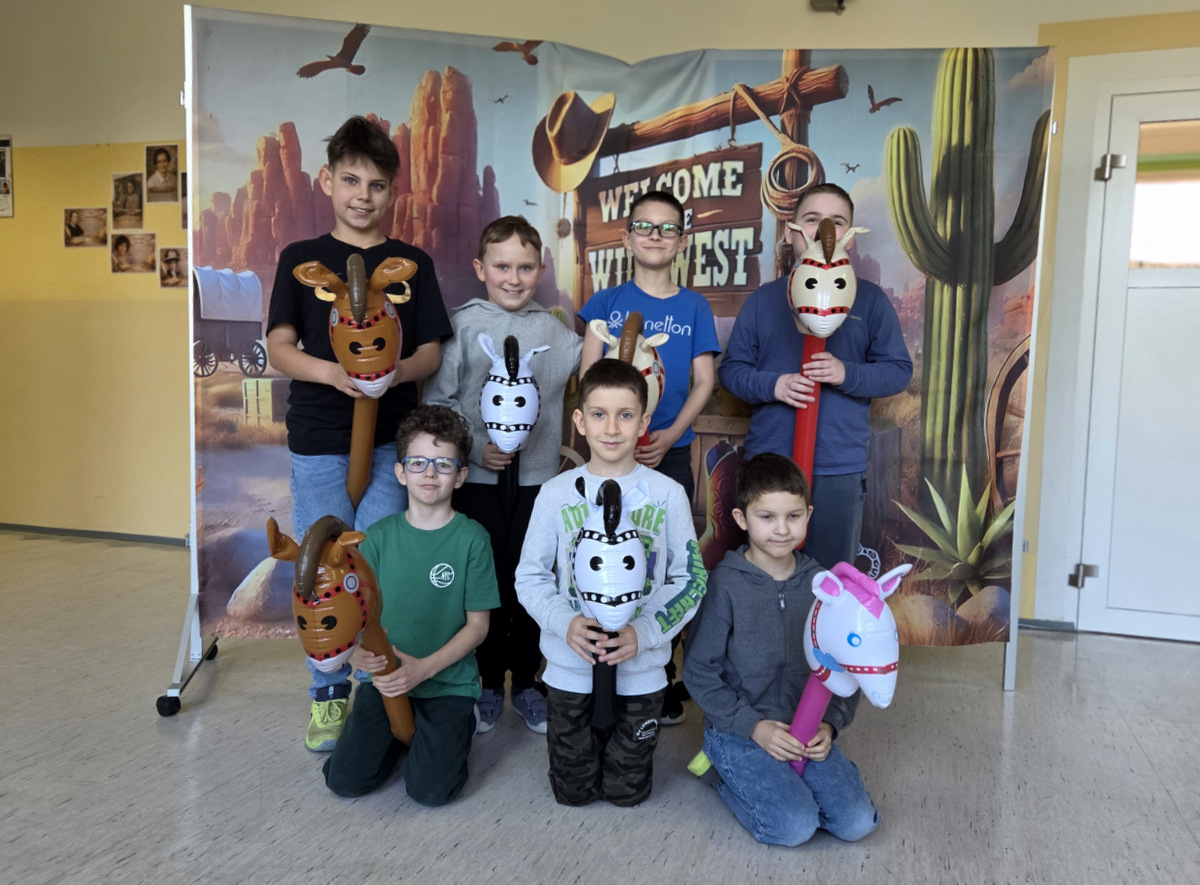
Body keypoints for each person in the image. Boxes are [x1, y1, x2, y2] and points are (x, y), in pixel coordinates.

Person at [266, 115, 452, 753]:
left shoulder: (414, 264)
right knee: (321, 569)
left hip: (391, 444)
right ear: (327, 180)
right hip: (319, 441)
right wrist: (334, 374)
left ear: (393, 191)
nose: (362, 196)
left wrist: (392, 372)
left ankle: (377, 687)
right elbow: (279, 348)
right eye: (350, 180)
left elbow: (430, 352)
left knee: (374, 568)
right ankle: (327, 692)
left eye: (376, 185)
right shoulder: (298, 260)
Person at [515, 359, 708, 807]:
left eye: (625, 415)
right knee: (572, 792)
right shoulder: (555, 494)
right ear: (580, 421)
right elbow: (530, 575)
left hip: (642, 671)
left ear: (643, 422)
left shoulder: (667, 494)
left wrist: (646, 631)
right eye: (599, 414)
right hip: (570, 667)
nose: (612, 428)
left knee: (627, 793)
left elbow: (691, 579)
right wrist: (564, 623)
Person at [424, 216, 582, 735]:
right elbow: (439, 402)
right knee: (486, 581)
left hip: (537, 482)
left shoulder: (554, 331)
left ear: (540, 270)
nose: (513, 278)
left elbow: (593, 367)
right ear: (481, 268)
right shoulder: (464, 326)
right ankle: (489, 680)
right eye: (502, 267)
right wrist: (474, 448)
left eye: (525, 268)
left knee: (532, 580)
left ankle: (529, 681)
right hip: (479, 483)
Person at [682, 452, 880, 846]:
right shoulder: (725, 584)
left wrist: (830, 724)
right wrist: (753, 727)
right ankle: (719, 774)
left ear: (808, 515)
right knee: (795, 827)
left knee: (859, 822)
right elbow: (699, 671)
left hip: (805, 730)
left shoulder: (823, 585)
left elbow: (844, 665)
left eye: (793, 516)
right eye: (767, 516)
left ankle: (790, 785)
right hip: (738, 730)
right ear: (741, 519)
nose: (782, 529)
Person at [577, 189, 719, 724]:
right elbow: (589, 377)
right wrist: (611, 436)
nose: (655, 236)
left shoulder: (694, 307)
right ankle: (598, 671)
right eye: (644, 226)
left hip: (668, 455)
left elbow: (704, 381)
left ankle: (657, 676)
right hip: (610, 455)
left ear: (682, 241)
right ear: (627, 237)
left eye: (667, 228)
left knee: (663, 561)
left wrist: (669, 434)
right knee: (602, 552)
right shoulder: (606, 303)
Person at [718, 183, 912, 570]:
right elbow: (732, 371)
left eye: (836, 222)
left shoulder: (871, 301)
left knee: (829, 580)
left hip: (839, 467)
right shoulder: (762, 301)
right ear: (791, 232)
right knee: (766, 575)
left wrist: (845, 373)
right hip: (770, 464)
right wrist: (774, 385)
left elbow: (898, 371)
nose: (824, 231)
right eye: (812, 220)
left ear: (850, 237)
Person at [323, 405, 500, 805]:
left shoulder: (473, 539)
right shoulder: (375, 538)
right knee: (344, 781)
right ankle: (398, 739)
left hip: (447, 684)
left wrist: (422, 669)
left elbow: (478, 627)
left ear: (460, 475)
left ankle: (461, 722)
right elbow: (357, 618)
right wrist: (358, 656)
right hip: (386, 681)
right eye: (418, 462)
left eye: (443, 464)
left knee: (430, 791)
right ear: (401, 472)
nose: (430, 473)